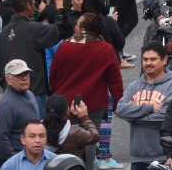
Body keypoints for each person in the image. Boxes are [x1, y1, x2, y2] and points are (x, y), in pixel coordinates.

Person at [48, 12, 124, 165]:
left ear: (82, 29)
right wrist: (118, 102)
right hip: (94, 103)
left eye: (77, 24)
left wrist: (57, 94)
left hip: (65, 102)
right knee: (89, 139)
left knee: (62, 137)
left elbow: (53, 76)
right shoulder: (106, 49)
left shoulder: (64, 46)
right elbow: (115, 80)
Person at [117, 44, 172, 170]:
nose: (148, 63)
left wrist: (134, 116)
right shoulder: (135, 86)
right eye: (145, 59)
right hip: (137, 156)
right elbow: (120, 110)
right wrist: (150, 107)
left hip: (164, 157)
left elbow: (165, 117)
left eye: (153, 59)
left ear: (164, 60)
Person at [0, 60, 43, 163]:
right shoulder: (6, 104)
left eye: (26, 74)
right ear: (8, 79)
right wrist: (17, 161)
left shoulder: (30, 94)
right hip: (13, 159)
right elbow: (0, 138)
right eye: (19, 75)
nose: (24, 78)